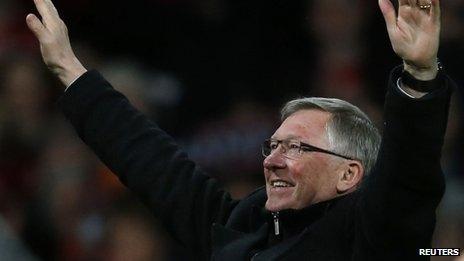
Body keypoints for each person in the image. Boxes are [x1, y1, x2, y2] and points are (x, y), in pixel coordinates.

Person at [25, 0, 454, 260]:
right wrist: (73, 72)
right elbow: (156, 167)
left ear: (349, 174)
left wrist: (418, 76)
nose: (271, 159)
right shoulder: (241, 226)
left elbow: (407, 179)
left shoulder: (370, 238)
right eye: (274, 145)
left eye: (297, 147)